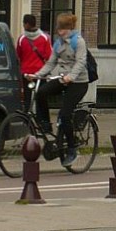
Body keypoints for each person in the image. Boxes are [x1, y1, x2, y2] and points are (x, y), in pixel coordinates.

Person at [28, 13, 89, 167]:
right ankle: (46, 124)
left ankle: (71, 149)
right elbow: (51, 62)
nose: (60, 31)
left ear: (69, 28)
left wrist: (71, 76)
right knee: (41, 92)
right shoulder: (58, 43)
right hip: (62, 79)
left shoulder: (78, 42)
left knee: (65, 114)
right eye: (59, 28)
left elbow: (81, 62)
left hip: (78, 83)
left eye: (63, 29)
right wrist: (37, 75)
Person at [15, 14, 52, 110]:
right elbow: (49, 56)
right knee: (41, 99)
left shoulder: (21, 39)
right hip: (40, 73)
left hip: (26, 74)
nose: (23, 25)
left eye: (23, 23)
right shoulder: (45, 38)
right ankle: (42, 121)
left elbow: (18, 56)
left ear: (27, 24)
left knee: (26, 99)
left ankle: (26, 119)